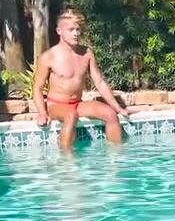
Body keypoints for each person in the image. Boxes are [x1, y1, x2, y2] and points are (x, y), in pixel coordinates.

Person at [33, 10, 133, 151]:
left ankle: (116, 157)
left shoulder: (86, 53)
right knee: (70, 115)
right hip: (56, 105)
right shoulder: (48, 57)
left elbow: (99, 82)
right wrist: (42, 113)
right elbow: (37, 87)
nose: (76, 33)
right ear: (59, 31)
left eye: (78, 29)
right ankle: (67, 160)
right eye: (71, 30)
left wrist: (118, 108)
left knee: (110, 113)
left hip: (77, 103)